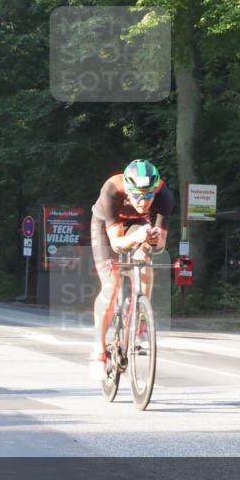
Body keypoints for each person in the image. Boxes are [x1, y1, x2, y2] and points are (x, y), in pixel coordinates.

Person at [87, 160, 174, 381]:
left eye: (148, 196)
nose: (143, 201)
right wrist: (137, 237)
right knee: (112, 283)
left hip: (139, 224)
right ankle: (97, 352)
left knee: (145, 260)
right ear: (128, 190)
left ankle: (141, 320)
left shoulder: (164, 196)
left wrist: (150, 241)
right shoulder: (112, 190)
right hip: (107, 226)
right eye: (136, 195)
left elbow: (161, 245)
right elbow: (116, 243)